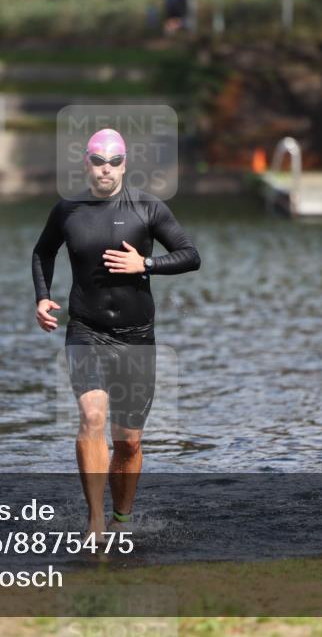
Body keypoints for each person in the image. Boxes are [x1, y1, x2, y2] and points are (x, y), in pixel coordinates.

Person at [32, 128, 200, 543]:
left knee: (128, 443)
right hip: (85, 329)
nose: (105, 169)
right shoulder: (68, 209)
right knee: (91, 417)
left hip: (136, 335)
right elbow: (43, 251)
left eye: (114, 161)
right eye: (97, 161)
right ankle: (95, 521)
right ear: (85, 162)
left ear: (124, 164)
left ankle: (122, 517)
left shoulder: (148, 207)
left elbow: (190, 256)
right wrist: (42, 297)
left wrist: (144, 264)